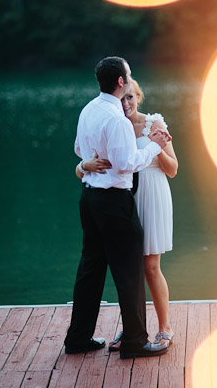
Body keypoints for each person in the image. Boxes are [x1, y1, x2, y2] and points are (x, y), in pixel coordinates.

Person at [63, 56, 171, 359]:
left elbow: (78, 149)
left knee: (90, 270)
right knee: (129, 273)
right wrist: (154, 145)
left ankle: (78, 338)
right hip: (114, 203)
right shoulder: (117, 119)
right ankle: (136, 342)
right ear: (121, 82)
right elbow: (126, 164)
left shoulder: (89, 109)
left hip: (90, 199)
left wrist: (89, 161)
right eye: (129, 75)